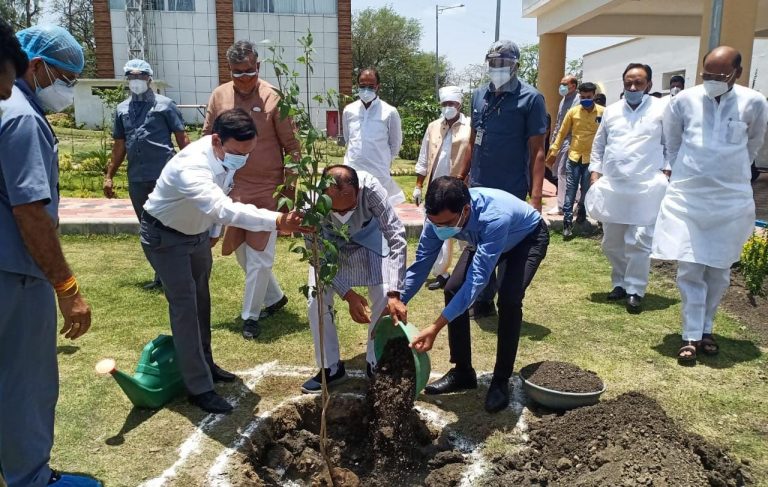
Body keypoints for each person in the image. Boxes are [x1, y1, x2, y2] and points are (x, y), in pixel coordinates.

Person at [141, 108, 310, 413]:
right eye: (237, 153)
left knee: (201, 302)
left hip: (196, 235)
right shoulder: (192, 166)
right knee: (185, 307)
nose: (242, 159)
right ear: (216, 139)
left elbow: (223, 194)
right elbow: (222, 207)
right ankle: (199, 387)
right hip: (166, 238)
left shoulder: (224, 155)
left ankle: (205, 365)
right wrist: (277, 221)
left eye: (248, 152)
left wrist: (213, 233)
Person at [0, 23, 101, 487]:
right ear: (35, 66)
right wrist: (66, 286)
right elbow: (31, 212)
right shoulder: (21, 117)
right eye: (64, 77)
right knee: (26, 380)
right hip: (15, 275)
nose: (66, 90)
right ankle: (32, 478)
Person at [389, 177, 549, 413]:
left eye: (446, 224)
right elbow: (422, 263)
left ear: (465, 210)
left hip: (525, 239)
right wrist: (398, 299)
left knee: (509, 299)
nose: (440, 229)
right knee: (452, 287)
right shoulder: (437, 218)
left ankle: (500, 380)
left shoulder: (494, 217)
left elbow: (477, 281)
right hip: (483, 239)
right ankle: (463, 371)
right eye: (435, 223)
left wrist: (436, 327)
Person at [652, 46, 768, 365]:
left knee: (719, 270)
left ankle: (707, 329)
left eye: (719, 76)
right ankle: (690, 334)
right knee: (690, 266)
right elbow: (672, 142)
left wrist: (731, 173)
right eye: (707, 75)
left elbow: (754, 143)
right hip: (689, 196)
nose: (712, 81)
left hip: (730, 199)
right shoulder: (683, 101)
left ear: (737, 73)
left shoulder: (754, 102)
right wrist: (687, 172)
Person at [203, 40, 301, 340]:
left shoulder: (273, 98)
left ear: (258, 67)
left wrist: (288, 191)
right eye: (237, 73)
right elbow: (207, 138)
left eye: (249, 71)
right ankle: (274, 297)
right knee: (242, 252)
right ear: (229, 70)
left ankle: (250, 317)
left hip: (267, 189)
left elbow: (293, 148)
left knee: (260, 255)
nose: (244, 78)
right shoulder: (219, 96)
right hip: (232, 187)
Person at [301, 165, 407, 393]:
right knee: (315, 300)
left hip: (368, 239)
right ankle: (330, 367)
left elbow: (396, 236)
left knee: (382, 293)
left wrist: (395, 293)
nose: (342, 215)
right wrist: (348, 295)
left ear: (358, 191)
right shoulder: (310, 201)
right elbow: (315, 253)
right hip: (329, 245)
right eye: (335, 210)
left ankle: (374, 360)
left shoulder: (372, 190)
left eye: (348, 208)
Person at [468, 40, 548, 318]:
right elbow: (471, 141)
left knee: (505, 244)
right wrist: (462, 176)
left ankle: (506, 293)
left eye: (502, 63)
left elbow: (538, 151)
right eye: (492, 63)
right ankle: (484, 297)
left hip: (512, 186)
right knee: (478, 243)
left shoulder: (531, 98)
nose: (496, 68)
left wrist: (536, 198)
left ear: (515, 65)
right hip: (479, 184)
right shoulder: (479, 96)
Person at [588, 63, 668, 314]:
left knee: (640, 240)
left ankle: (635, 289)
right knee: (612, 241)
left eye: (639, 83)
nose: (633, 87)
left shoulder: (661, 109)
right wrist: (595, 174)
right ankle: (619, 282)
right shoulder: (612, 111)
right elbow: (599, 145)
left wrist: (666, 171)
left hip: (647, 187)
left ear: (649, 85)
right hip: (614, 186)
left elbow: (671, 144)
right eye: (628, 83)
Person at [104, 59, 190, 290]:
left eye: (141, 76)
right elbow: (119, 145)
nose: (136, 81)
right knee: (147, 227)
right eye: (131, 77)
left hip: (164, 176)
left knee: (170, 224)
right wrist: (109, 175)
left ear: (149, 78)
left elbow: (183, 139)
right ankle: (161, 274)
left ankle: (179, 271)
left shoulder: (165, 105)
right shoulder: (122, 109)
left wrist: (193, 168)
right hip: (138, 177)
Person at [413, 86, 472, 291]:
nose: (448, 107)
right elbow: (423, 157)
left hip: (461, 188)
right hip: (436, 188)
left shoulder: (470, 126)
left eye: (452, 104)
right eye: (445, 104)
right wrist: (419, 185)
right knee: (438, 230)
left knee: (466, 230)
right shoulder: (433, 126)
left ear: (460, 104)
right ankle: (442, 273)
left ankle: (468, 271)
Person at [547, 82, 604, 238]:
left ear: (594, 96)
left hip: (592, 159)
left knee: (587, 189)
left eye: (589, 97)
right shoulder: (573, 112)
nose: (586, 99)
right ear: (579, 96)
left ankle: (582, 213)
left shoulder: (603, 113)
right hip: (574, 157)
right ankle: (567, 223)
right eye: (583, 97)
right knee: (570, 190)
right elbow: (562, 132)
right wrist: (553, 150)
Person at [343, 68, 404, 205]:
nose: (366, 90)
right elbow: (348, 139)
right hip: (353, 170)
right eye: (362, 86)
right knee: (353, 209)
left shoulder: (390, 112)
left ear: (378, 87)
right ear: (357, 85)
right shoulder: (348, 110)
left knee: (379, 213)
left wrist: (383, 160)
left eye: (371, 86)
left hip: (379, 172)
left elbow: (395, 144)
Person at [546, 75, 580, 216]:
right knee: (559, 171)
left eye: (565, 84)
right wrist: (554, 142)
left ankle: (562, 205)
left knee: (562, 172)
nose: (562, 87)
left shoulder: (578, 100)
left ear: (574, 85)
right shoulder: (563, 100)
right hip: (560, 141)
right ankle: (576, 201)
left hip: (571, 141)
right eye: (561, 83)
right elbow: (559, 123)